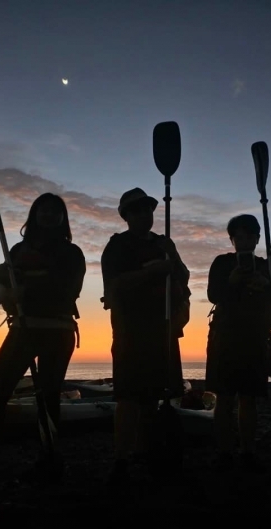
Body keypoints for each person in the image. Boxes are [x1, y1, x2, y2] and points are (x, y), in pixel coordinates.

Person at [0, 193, 86, 489]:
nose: (49, 215)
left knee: (48, 398)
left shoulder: (72, 253)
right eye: (43, 210)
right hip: (22, 331)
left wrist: (23, 289)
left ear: (63, 218)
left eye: (55, 211)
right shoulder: (18, 250)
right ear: (34, 215)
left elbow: (67, 288)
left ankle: (48, 460)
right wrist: (4, 293)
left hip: (57, 332)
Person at [100, 187, 191, 485]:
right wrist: (152, 271)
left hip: (162, 331)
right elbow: (113, 287)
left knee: (154, 397)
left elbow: (183, 277)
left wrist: (172, 258)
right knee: (128, 397)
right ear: (126, 216)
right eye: (137, 211)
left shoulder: (166, 244)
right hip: (129, 332)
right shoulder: (116, 247)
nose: (144, 215)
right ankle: (121, 459)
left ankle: (148, 450)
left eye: (148, 210)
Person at [205, 214, 271, 472]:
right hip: (225, 338)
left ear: (257, 239)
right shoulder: (221, 263)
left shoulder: (268, 267)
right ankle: (225, 450)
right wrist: (231, 281)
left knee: (249, 399)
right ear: (231, 239)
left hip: (255, 339)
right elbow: (212, 295)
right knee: (225, 397)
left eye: (249, 235)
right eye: (238, 236)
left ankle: (248, 450)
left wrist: (266, 285)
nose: (243, 241)